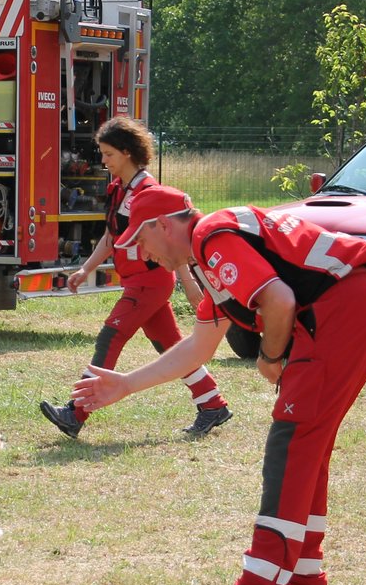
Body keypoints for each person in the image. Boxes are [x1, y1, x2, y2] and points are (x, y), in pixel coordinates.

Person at [72, 184, 366, 585]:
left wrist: (271, 357)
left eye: (141, 242)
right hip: (356, 305)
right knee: (308, 446)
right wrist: (125, 385)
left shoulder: (211, 237)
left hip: (343, 311)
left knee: (293, 445)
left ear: (162, 225)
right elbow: (199, 346)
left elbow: (279, 301)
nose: (144, 256)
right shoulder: (215, 252)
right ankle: (303, 580)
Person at [40, 116, 231, 440]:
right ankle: (212, 403)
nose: (103, 161)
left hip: (150, 282)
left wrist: (187, 282)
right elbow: (112, 237)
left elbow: (173, 242)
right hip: (137, 282)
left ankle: (76, 411)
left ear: (127, 152)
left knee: (110, 336)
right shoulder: (118, 189)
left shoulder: (149, 191)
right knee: (171, 347)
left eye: (108, 154)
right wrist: (86, 268)